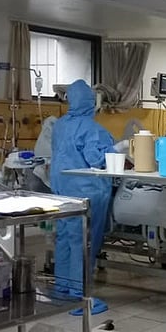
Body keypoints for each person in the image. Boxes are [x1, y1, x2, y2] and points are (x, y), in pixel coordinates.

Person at [50, 80, 116, 315]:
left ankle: (63, 288)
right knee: (83, 243)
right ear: (91, 102)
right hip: (86, 193)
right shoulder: (92, 129)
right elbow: (98, 160)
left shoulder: (59, 125)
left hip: (61, 190)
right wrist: (119, 150)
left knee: (65, 238)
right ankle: (81, 296)